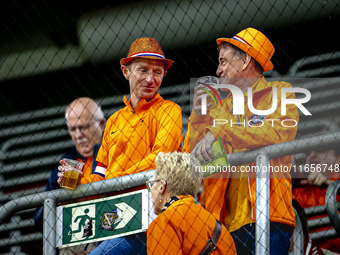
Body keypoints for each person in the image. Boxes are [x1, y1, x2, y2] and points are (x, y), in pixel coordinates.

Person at [184, 27, 299, 255]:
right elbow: (197, 159)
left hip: (271, 217)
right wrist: (199, 115)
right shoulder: (222, 108)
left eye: (224, 62)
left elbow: (277, 134)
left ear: (246, 59)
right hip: (225, 228)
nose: (218, 70)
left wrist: (222, 130)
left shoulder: (280, 92)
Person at [67, 37, 183, 255]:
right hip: (114, 216)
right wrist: (75, 179)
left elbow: (160, 159)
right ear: (125, 71)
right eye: (143, 70)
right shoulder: (113, 121)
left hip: (152, 213)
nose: (150, 78)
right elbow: (100, 176)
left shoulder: (170, 110)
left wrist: (117, 181)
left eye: (158, 72)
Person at [34, 97, 106, 254]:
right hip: (73, 238)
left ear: (101, 124)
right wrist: (63, 194)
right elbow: (40, 219)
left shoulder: (114, 153)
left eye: (84, 127)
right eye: (73, 129)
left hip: (108, 234)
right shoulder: (67, 164)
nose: (78, 135)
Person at [146, 151, 236, 255]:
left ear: (162, 186)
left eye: (151, 185)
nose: (151, 190)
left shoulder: (164, 222)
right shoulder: (218, 227)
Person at [292, 139, 340, 254]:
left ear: (338, 160)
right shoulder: (300, 191)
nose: (312, 155)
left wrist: (331, 184)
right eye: (308, 153)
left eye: (320, 149)